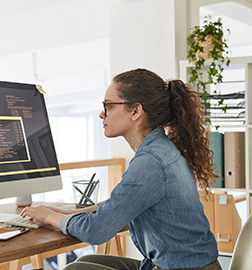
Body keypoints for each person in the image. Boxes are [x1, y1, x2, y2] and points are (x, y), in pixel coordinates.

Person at [20, 68, 221, 270]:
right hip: (189, 264)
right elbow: (121, 205)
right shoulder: (160, 149)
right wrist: (63, 213)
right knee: (84, 262)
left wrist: (48, 216)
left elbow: (95, 231)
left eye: (108, 105)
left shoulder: (151, 161)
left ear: (135, 111)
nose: (101, 113)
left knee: (76, 269)